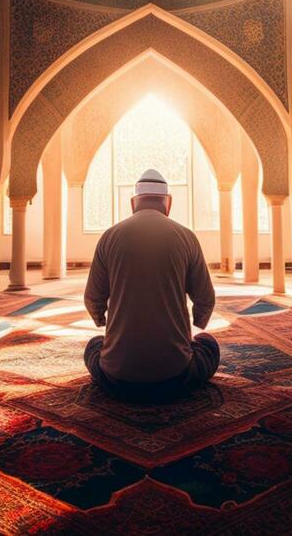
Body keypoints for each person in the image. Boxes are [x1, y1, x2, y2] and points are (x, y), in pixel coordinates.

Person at [83, 168, 220, 403]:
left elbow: (92, 298)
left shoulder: (109, 236)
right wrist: (197, 324)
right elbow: (205, 299)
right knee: (208, 345)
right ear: (168, 203)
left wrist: (101, 320)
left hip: (116, 379)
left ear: (133, 203)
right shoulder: (186, 236)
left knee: (94, 346)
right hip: (177, 376)